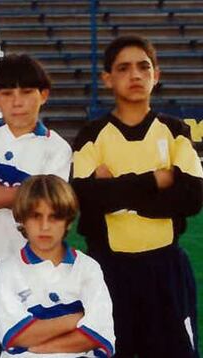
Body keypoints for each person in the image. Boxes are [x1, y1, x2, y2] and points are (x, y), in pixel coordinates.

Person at [72, 35, 203, 358]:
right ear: (107, 78)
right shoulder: (91, 135)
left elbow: (191, 198)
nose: (135, 75)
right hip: (109, 270)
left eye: (144, 67)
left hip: (165, 268)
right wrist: (154, 180)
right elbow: (85, 200)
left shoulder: (175, 132)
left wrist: (115, 190)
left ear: (155, 75)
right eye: (124, 68)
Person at [0, 54, 72, 263]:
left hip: (33, 259)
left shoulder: (57, 148)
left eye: (27, 92)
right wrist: (30, 194)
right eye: (7, 93)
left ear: (44, 95)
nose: (17, 102)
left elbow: (48, 205)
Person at [0, 175, 115, 357]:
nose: (45, 226)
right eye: (36, 216)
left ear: (69, 221)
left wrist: (41, 346)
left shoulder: (88, 268)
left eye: (55, 217)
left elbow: (98, 335)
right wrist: (75, 319)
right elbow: (17, 337)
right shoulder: (6, 271)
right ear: (22, 219)